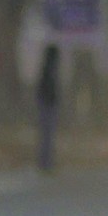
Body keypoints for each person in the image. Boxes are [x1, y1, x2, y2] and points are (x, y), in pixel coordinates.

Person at [35, 39, 62, 173]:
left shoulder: (45, 69)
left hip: (45, 104)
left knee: (46, 136)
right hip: (48, 105)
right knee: (47, 136)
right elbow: (50, 90)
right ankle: (46, 163)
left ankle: (45, 162)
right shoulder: (50, 70)